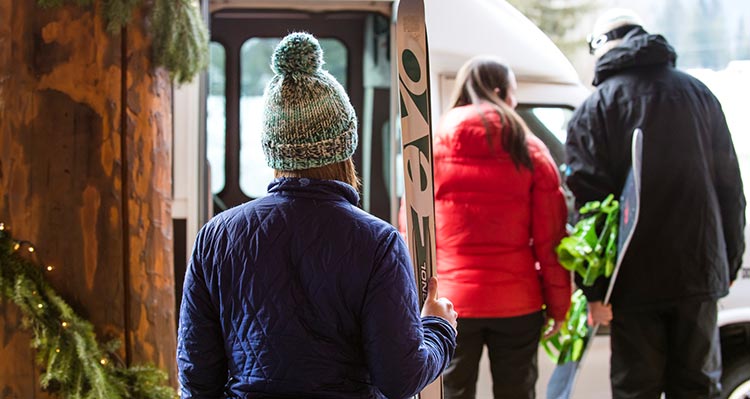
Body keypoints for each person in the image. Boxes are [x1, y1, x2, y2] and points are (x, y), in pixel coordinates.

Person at [177, 32, 458, 399]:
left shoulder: (216, 236)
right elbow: (400, 378)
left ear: (272, 150)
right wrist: (438, 325)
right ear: (346, 145)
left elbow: (197, 378)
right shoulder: (379, 242)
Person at [566, 8, 746, 398]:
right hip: (699, 272)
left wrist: (594, 289)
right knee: (698, 387)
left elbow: (589, 207)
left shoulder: (595, 109)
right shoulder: (700, 95)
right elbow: (730, 187)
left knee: (637, 390)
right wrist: (729, 261)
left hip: (633, 282)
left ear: (602, 49)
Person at [400, 56, 571, 399]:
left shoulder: (431, 145)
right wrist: (560, 306)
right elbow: (550, 238)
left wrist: (416, 302)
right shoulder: (529, 148)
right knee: (517, 391)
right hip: (517, 302)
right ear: (501, 92)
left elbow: (413, 231)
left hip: (453, 301)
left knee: (454, 392)